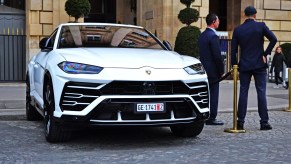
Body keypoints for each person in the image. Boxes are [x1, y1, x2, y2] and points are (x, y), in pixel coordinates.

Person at [231, 6, 277, 130]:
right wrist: (265, 54)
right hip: (259, 63)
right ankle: (264, 122)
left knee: (243, 92)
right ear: (255, 15)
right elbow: (274, 39)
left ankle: (240, 122)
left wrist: (234, 65)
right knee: (261, 92)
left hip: (245, 64)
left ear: (245, 15)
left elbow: (233, 50)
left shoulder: (238, 29)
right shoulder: (261, 26)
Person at [198, 13, 225, 125]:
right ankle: (212, 117)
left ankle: (205, 114)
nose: (219, 22)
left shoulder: (202, 35)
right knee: (214, 94)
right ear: (214, 22)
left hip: (204, 69)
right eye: (218, 21)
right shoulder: (213, 36)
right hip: (213, 71)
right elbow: (217, 56)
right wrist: (222, 71)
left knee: (206, 94)